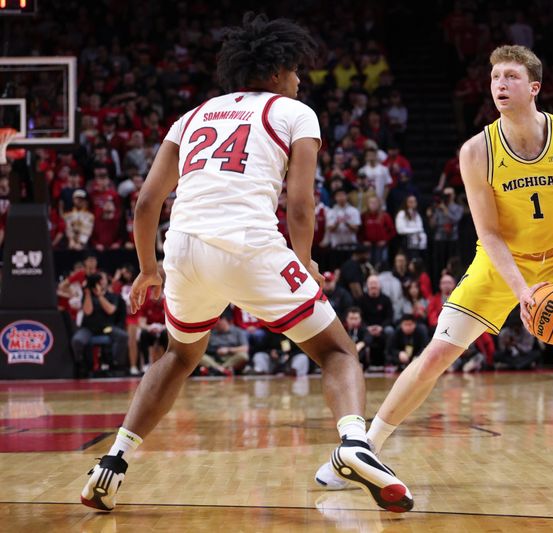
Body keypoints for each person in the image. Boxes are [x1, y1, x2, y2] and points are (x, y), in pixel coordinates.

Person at [316, 44, 553, 491]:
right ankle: (364, 452)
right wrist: (522, 290)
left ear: (534, 87)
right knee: (436, 354)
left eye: (511, 77)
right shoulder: (477, 151)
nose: (500, 84)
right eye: (495, 77)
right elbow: (489, 233)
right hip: (502, 265)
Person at [80, 15, 412, 514]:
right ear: (277, 71)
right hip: (251, 246)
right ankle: (354, 444)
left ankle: (114, 460)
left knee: (177, 357)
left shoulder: (192, 116)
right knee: (338, 352)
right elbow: (299, 206)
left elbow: (146, 203)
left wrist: (149, 269)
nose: (300, 80)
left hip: (185, 249)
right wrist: (303, 264)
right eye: (296, 70)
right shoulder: (296, 114)